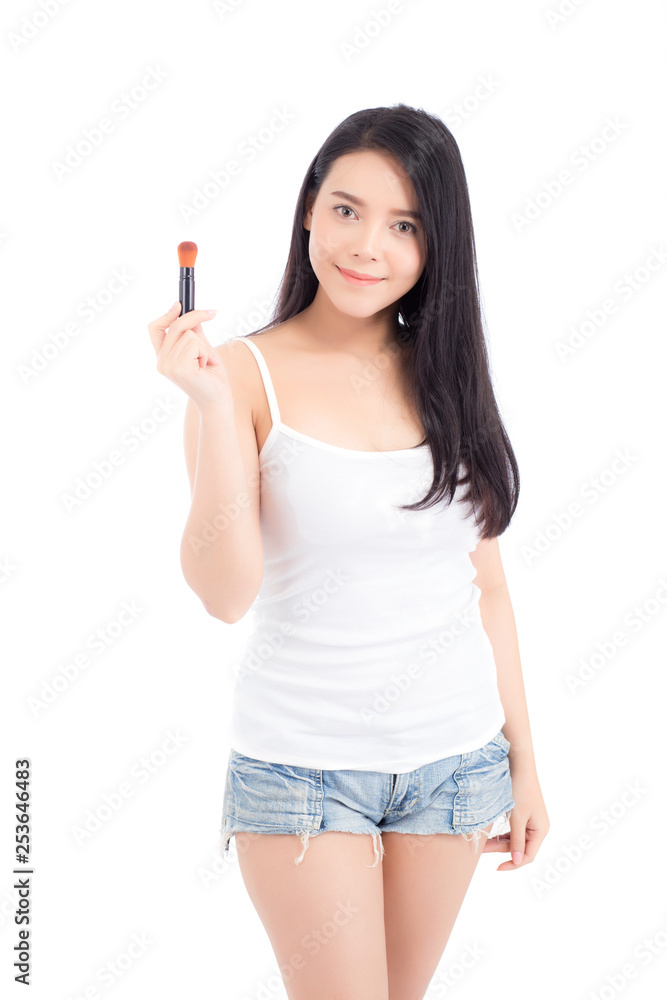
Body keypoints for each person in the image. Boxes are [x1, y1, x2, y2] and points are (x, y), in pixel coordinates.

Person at [148, 103, 550, 1000]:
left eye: (404, 225)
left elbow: (485, 587)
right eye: (346, 210)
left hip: (454, 766)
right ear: (308, 211)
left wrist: (523, 763)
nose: (367, 246)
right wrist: (212, 410)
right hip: (303, 770)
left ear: (436, 245)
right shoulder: (238, 377)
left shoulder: (446, 375)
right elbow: (224, 594)